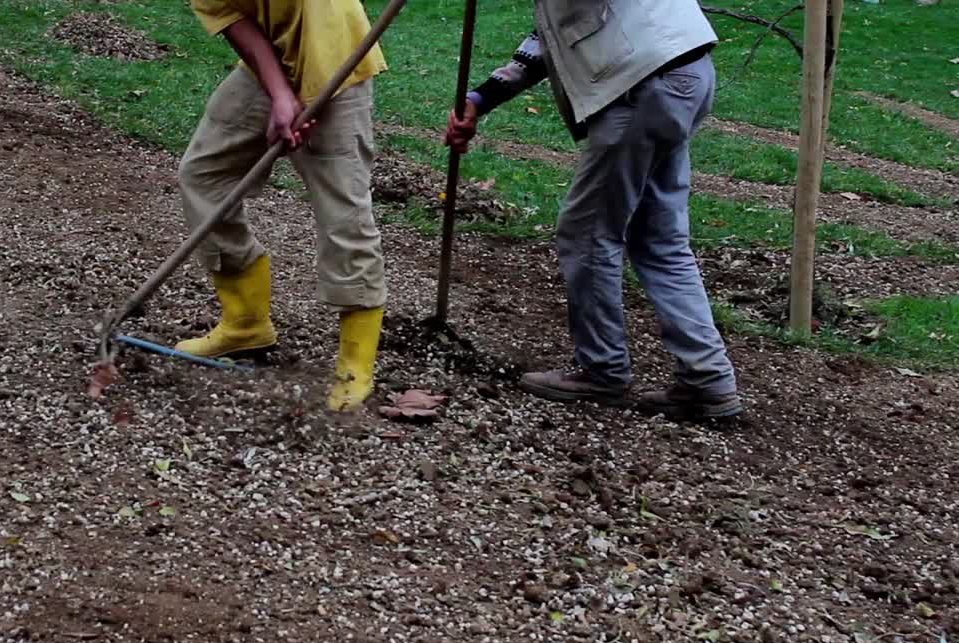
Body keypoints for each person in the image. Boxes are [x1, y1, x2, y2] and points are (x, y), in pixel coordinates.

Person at [444, 0, 743, 420]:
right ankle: (707, 380)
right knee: (658, 239)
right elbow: (553, 37)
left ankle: (602, 369)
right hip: (681, 70)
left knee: (587, 233)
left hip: (642, 82)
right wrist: (482, 98)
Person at [176, 0, 388, 413]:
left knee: (344, 214)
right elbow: (232, 17)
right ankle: (246, 323)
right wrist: (280, 93)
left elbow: (321, 24)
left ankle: (354, 368)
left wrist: (307, 99)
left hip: (337, 57)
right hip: (274, 57)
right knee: (205, 174)